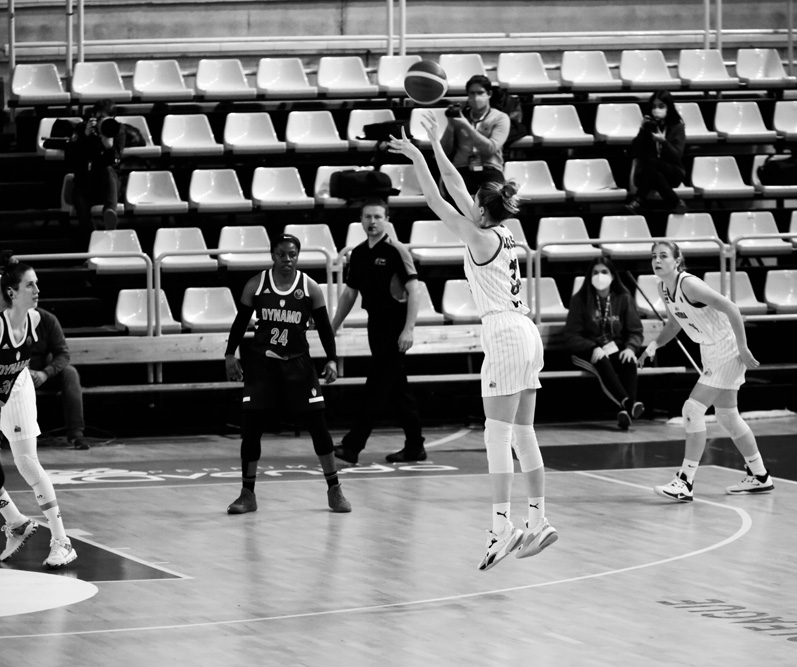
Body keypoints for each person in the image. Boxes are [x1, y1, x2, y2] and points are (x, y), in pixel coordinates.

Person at [389, 118, 557, 571]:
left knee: (496, 433)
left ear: (481, 210)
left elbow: (437, 197)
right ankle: (538, 519)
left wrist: (419, 154)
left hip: (504, 333)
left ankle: (502, 527)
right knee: (523, 432)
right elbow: (456, 186)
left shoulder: (479, 236)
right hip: (527, 331)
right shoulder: (503, 232)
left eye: (473, 204)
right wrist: (429, 147)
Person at [223, 234, 351, 515]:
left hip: (298, 365)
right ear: (273, 255)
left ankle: (334, 489)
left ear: (298, 256)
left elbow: (324, 328)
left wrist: (332, 359)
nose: (287, 259)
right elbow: (240, 322)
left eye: (292, 254)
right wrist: (230, 353)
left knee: (318, 426)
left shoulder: (310, 287)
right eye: (282, 254)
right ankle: (247, 494)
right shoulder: (256, 284)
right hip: (263, 365)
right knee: (251, 429)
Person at [638, 241, 774, 502]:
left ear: (677, 261)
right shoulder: (663, 287)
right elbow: (675, 323)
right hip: (709, 350)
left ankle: (685, 481)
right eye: (654, 256)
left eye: (663, 255)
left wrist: (743, 347)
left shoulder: (689, 285)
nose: (657, 260)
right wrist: (653, 346)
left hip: (727, 348)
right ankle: (759, 475)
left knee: (692, 409)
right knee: (727, 417)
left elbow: (731, 308)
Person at [332, 198, 425, 465]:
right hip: (375, 325)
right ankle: (415, 446)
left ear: (387, 220)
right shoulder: (359, 253)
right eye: (367, 217)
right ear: (361, 221)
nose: (372, 221)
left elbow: (415, 290)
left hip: (395, 327)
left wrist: (408, 330)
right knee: (397, 388)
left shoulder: (396, 250)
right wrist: (332, 326)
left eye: (377, 217)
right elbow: (350, 293)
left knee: (376, 385)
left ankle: (353, 446)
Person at [0, 250, 78, 568]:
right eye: (30, 285)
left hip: (17, 389)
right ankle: (16, 522)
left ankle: (62, 541)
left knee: (27, 463)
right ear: (11, 292)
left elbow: (61, 353)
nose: (37, 290)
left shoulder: (35, 319)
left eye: (37, 283)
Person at [564, 257, 645, 430]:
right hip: (586, 350)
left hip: (613, 346)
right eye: (595, 272)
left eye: (604, 272)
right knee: (601, 361)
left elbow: (635, 330)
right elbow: (572, 335)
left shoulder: (623, 298)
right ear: (589, 276)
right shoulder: (580, 300)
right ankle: (629, 404)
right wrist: (592, 347)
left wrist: (631, 348)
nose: (599, 276)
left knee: (629, 360)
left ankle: (625, 410)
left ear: (613, 276)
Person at [440, 74, 510, 196]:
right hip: (462, 168)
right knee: (453, 191)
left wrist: (466, 126)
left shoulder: (500, 118)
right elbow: (444, 151)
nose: (475, 97)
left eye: (480, 93)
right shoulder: (460, 116)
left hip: (489, 169)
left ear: (489, 94)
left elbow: (490, 148)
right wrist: (450, 126)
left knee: (494, 194)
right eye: (471, 93)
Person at [29, 307, 88, 450]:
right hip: (11, 373)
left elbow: (62, 354)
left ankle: (76, 434)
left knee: (70, 373)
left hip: (40, 374)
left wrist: (45, 373)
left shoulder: (47, 319)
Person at [66, 98, 125, 240]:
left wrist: (108, 146)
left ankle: (110, 213)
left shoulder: (116, 130)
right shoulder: (82, 128)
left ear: (112, 118)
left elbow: (116, 161)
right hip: (85, 182)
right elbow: (71, 158)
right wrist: (85, 136)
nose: (100, 122)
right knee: (80, 202)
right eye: (97, 118)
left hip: (108, 185)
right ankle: (92, 239)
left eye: (103, 118)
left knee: (108, 170)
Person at [625, 90, 687, 216]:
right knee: (654, 171)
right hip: (649, 173)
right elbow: (635, 151)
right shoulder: (649, 126)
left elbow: (677, 156)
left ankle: (638, 200)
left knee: (653, 164)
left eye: (661, 106)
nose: (656, 109)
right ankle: (675, 202)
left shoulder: (677, 127)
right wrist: (642, 129)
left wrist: (664, 142)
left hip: (672, 172)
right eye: (654, 106)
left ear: (669, 108)